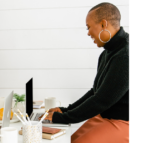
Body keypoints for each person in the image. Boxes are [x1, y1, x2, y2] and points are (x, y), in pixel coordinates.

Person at [39, 2, 129, 143]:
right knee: (70, 139)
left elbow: (101, 100)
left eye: (89, 27)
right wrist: (65, 110)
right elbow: (95, 92)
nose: (88, 33)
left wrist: (62, 118)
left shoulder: (126, 55)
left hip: (124, 122)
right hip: (105, 115)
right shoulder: (107, 53)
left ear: (103, 24)